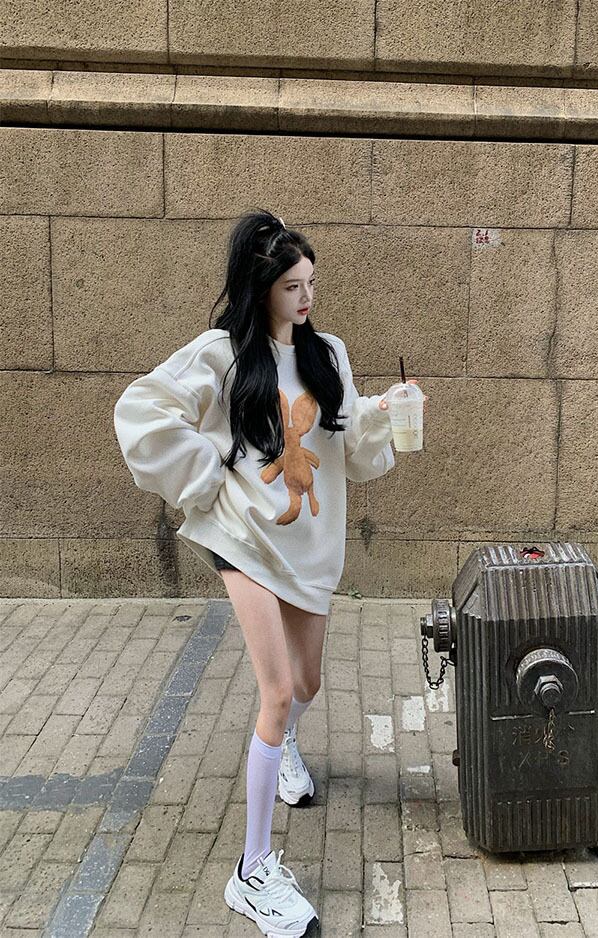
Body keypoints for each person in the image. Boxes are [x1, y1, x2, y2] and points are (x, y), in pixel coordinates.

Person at [113, 209, 427, 937]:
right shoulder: (221, 354)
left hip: (310, 545)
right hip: (244, 537)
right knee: (278, 692)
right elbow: (143, 409)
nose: (307, 297)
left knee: (307, 684)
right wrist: (209, 478)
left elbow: (347, 444)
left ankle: (282, 743)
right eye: (292, 286)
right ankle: (252, 871)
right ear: (262, 290)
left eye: (311, 282)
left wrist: (386, 410)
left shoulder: (329, 354)